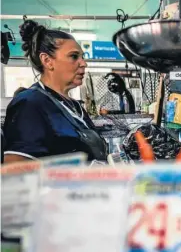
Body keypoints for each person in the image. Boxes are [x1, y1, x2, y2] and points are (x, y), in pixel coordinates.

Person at [2, 19, 108, 163]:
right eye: (74, 56)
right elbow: (16, 168)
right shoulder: (30, 104)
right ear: (47, 61)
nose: (84, 63)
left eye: (82, 57)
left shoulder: (75, 107)